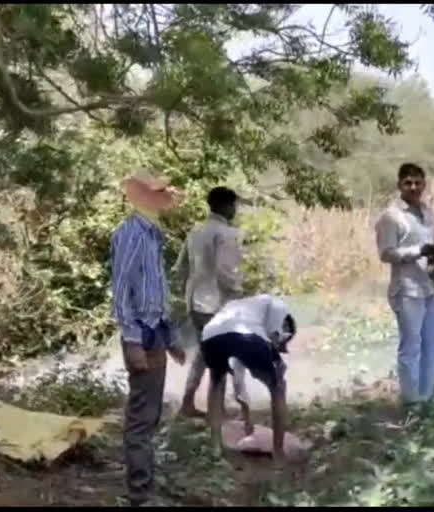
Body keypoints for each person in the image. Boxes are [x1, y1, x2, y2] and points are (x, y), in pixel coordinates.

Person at [110, 172, 187, 507]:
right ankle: (139, 493)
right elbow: (122, 291)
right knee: (141, 417)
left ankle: (146, 484)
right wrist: (132, 340)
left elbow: (156, 292)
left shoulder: (153, 234)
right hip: (140, 333)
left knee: (150, 413)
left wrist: (170, 338)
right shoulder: (130, 234)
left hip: (154, 331)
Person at [375, 162, 434, 406]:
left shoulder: (429, 214)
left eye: (418, 182)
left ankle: (426, 399)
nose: (413, 187)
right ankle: (411, 402)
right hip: (407, 291)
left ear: (424, 184)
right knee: (411, 348)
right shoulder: (391, 217)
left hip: (430, 288)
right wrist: (416, 251)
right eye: (408, 182)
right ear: (400, 185)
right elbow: (386, 253)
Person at [199, 294, 296, 463]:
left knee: (216, 383)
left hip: (210, 335)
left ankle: (215, 447)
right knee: (278, 387)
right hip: (247, 336)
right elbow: (274, 335)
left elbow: (239, 370)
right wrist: (276, 363)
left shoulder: (237, 304)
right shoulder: (277, 305)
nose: (281, 347)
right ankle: (278, 453)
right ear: (286, 326)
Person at [174, 186, 244, 418]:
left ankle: (188, 403)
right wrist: (238, 293)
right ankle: (217, 409)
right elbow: (226, 271)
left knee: (205, 353)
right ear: (225, 206)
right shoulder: (227, 234)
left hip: (195, 302)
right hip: (217, 303)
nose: (235, 210)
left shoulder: (196, 231)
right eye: (233, 205)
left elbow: (180, 268)